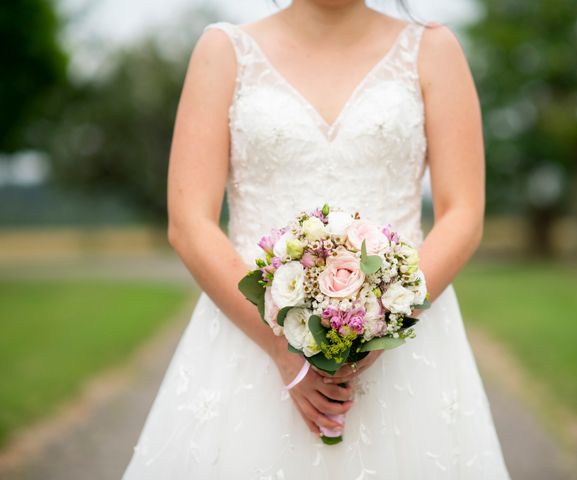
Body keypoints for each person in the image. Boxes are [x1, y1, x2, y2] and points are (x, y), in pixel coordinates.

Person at [122, 0, 511, 478]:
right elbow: (189, 222)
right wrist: (283, 348)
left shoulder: (433, 50)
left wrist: (383, 323)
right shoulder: (223, 52)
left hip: (404, 347)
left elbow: (463, 213)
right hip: (249, 339)